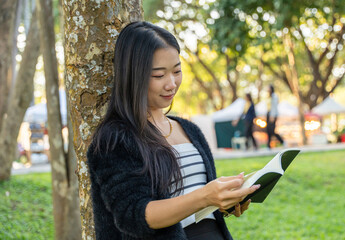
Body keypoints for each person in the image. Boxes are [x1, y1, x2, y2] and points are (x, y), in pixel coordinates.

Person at [86, 21, 260, 240]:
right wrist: (205, 197)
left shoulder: (189, 130)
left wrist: (224, 201)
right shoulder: (115, 139)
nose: (171, 84)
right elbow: (134, 215)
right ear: (133, 75)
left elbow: (196, 204)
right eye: (159, 76)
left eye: (177, 71)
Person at [266, 84, 284, 149]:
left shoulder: (274, 96)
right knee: (268, 130)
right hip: (268, 114)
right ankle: (268, 145)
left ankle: (282, 141)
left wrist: (272, 116)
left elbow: (274, 107)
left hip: (272, 115)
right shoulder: (269, 97)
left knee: (272, 131)